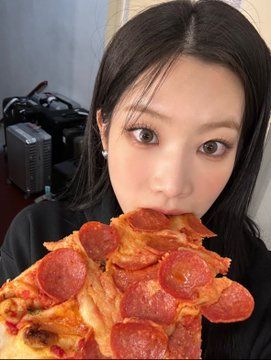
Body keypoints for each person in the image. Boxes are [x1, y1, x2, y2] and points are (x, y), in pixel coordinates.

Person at [1, 0, 271, 358]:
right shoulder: (34, 235)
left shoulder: (263, 290)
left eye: (212, 145)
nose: (172, 185)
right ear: (104, 129)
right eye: (145, 134)